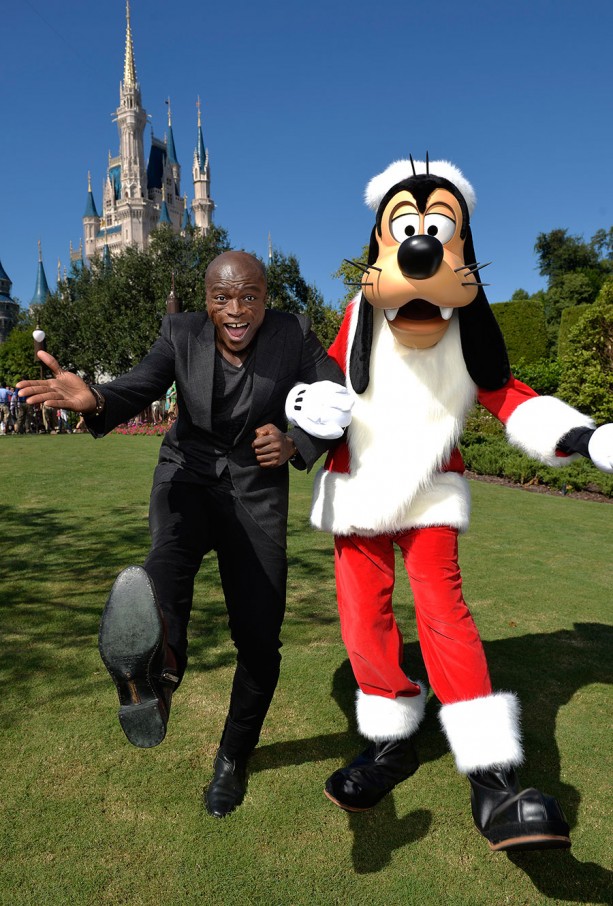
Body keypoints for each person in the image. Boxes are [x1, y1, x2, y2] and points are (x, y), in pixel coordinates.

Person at [17, 251, 347, 818]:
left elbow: (340, 399)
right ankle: (157, 678)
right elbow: (141, 384)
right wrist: (95, 399)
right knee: (162, 573)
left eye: (249, 297)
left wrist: (297, 442)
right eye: (222, 298)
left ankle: (232, 759)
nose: (236, 311)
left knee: (260, 640)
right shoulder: (181, 331)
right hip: (186, 478)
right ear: (206, 300)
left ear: (266, 297)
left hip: (256, 493)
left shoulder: (294, 333)